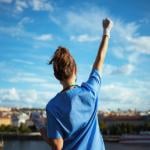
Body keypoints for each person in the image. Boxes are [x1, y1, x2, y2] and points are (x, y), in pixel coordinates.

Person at [31, 18, 113, 150]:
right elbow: (100, 60)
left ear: (56, 76)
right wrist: (106, 31)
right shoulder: (90, 91)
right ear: (75, 69)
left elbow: (57, 146)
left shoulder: (53, 106)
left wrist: (40, 125)